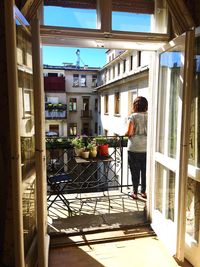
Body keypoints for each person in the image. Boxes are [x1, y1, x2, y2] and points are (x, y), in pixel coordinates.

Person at [125, 96, 148, 199]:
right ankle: (143, 192)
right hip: (146, 148)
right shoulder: (149, 116)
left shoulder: (133, 116)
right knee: (144, 171)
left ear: (135, 105)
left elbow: (128, 132)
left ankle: (134, 192)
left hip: (134, 148)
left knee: (135, 171)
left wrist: (127, 134)